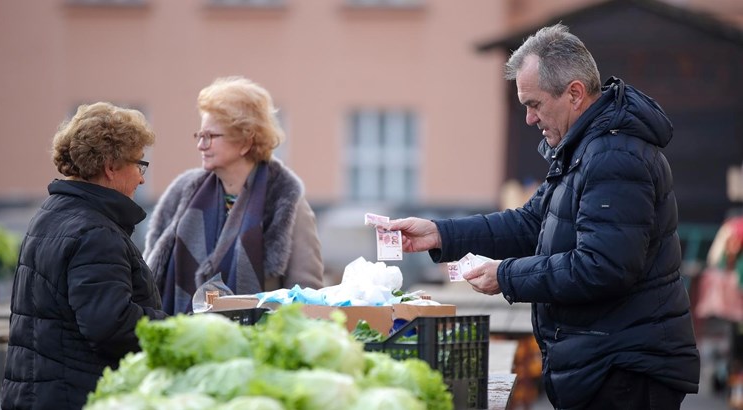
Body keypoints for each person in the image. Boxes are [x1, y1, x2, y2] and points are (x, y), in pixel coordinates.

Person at [387, 24, 699, 409]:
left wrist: (505, 276)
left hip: (624, 369)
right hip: (606, 360)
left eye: (534, 104)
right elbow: (530, 223)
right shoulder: (584, 148)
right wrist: (439, 233)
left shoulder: (613, 156)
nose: (530, 119)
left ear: (574, 94)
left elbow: (604, 266)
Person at [1, 102, 169, 410]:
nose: (142, 178)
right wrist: (177, 328)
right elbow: (112, 326)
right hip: (77, 397)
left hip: (38, 394)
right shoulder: (96, 232)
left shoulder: (51, 214)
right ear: (111, 166)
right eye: (139, 164)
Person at [144, 76, 323, 314]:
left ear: (245, 142)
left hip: (254, 345)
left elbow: (306, 296)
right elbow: (148, 278)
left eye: (211, 136)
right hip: (180, 341)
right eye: (199, 135)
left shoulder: (285, 200)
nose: (201, 145)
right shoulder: (181, 192)